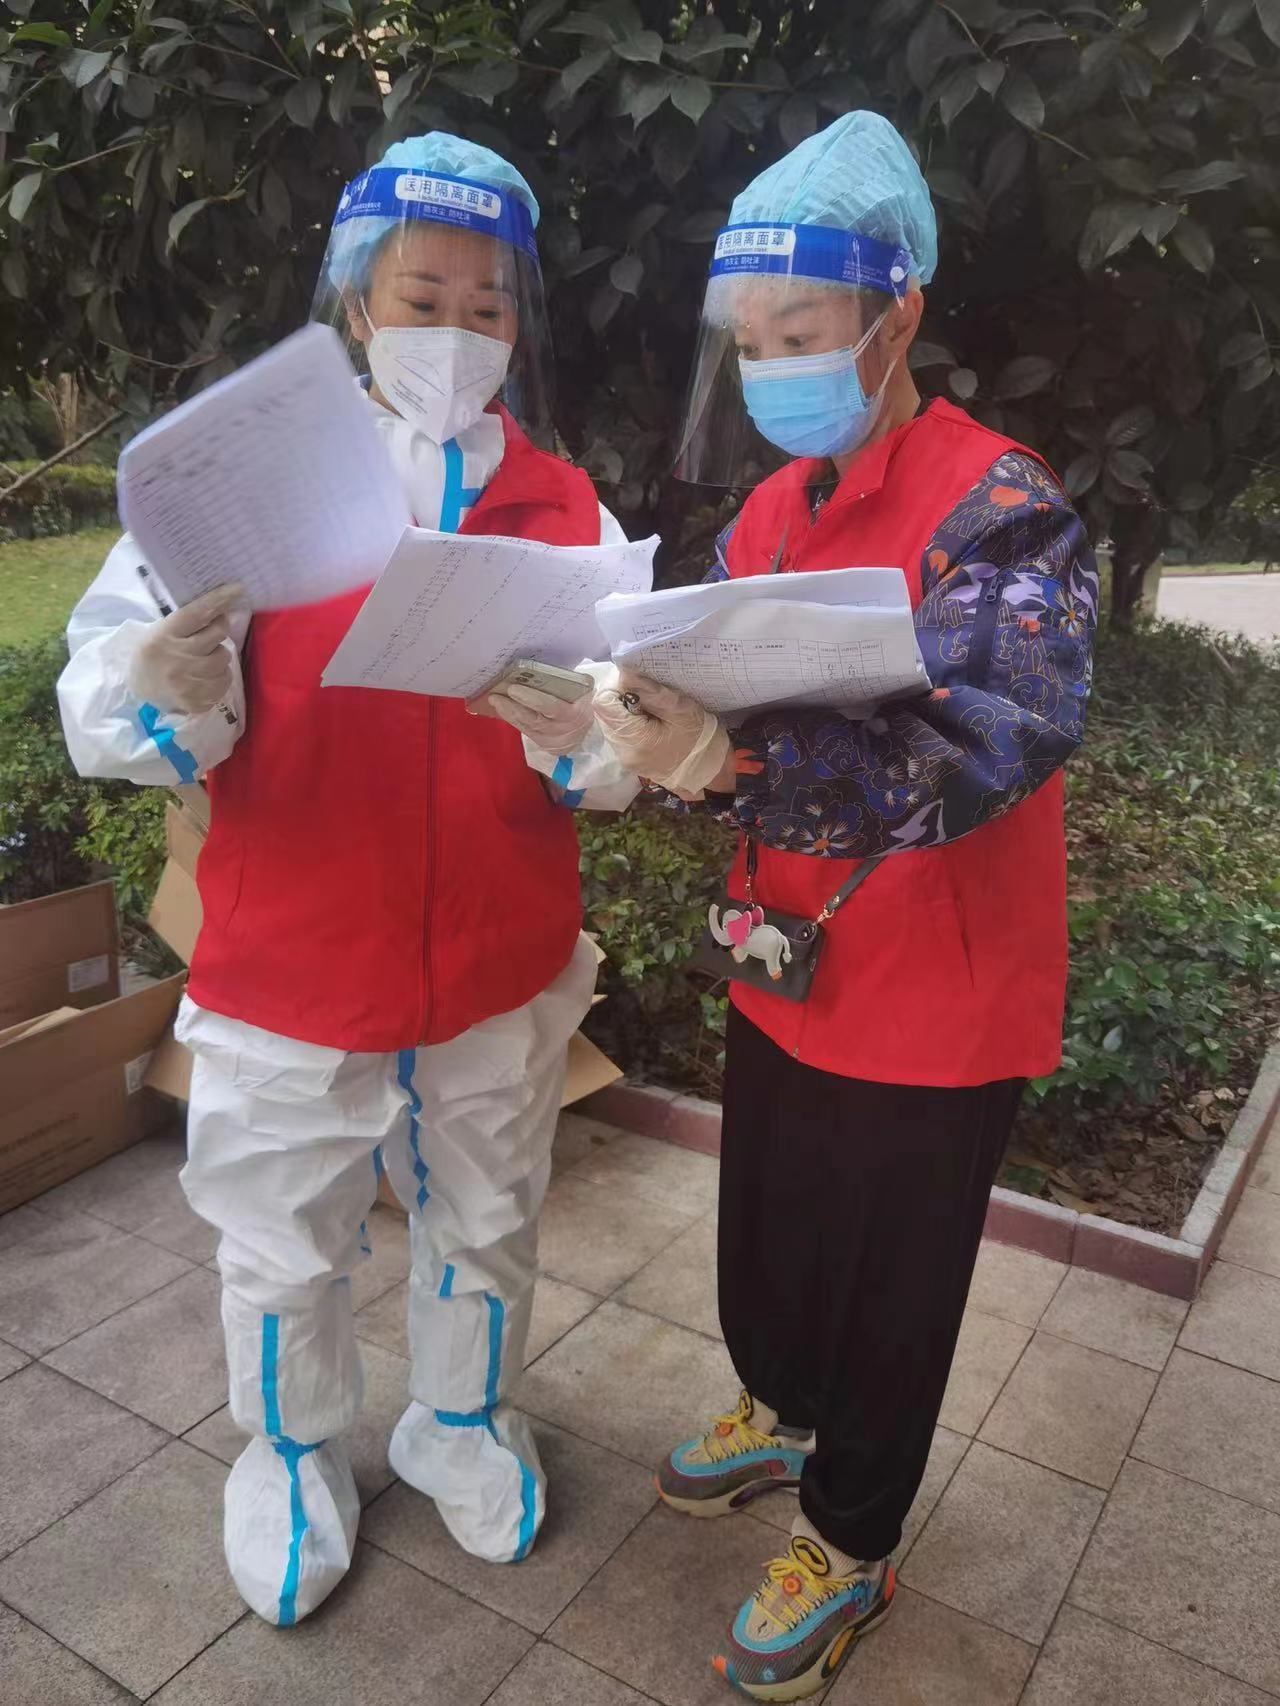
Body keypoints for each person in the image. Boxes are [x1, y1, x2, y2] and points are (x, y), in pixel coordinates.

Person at [57, 132, 628, 1627]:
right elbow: (108, 684)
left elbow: (620, 737)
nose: (456, 333)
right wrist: (156, 675)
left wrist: (588, 729)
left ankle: (461, 1419)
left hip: (496, 949)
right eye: (423, 297)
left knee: (488, 1211)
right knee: (285, 1234)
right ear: (360, 305)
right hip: (296, 952)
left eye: (487, 306)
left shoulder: (566, 508)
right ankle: (293, 1448)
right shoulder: (243, 488)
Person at [591, 111, 1099, 1701]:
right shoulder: (778, 510)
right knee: (775, 1229)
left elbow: (1004, 727)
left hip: (936, 989)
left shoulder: (999, 504)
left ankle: (851, 1535)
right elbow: (732, 733)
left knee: (891, 1278)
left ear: (899, 316)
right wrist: (642, 727)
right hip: (789, 960)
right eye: (752, 342)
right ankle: (780, 1405)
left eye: (801, 332)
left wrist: (736, 758)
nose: (774, 368)